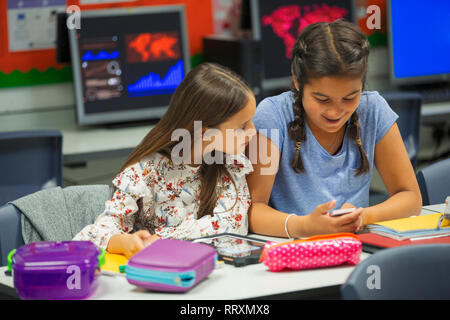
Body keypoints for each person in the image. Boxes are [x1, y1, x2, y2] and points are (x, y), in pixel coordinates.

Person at [247, 20, 422, 238]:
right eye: (322, 99)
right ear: (297, 80)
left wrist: (364, 216)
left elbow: (410, 197)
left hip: (353, 249)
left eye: (350, 98)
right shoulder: (272, 116)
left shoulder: (373, 109)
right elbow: (252, 211)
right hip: (292, 248)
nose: (335, 112)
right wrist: (305, 226)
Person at [74, 63, 256, 258]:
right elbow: (92, 235)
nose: (253, 131)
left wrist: (159, 240)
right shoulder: (145, 171)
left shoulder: (231, 165)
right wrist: (123, 241)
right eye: (242, 127)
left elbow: (232, 226)